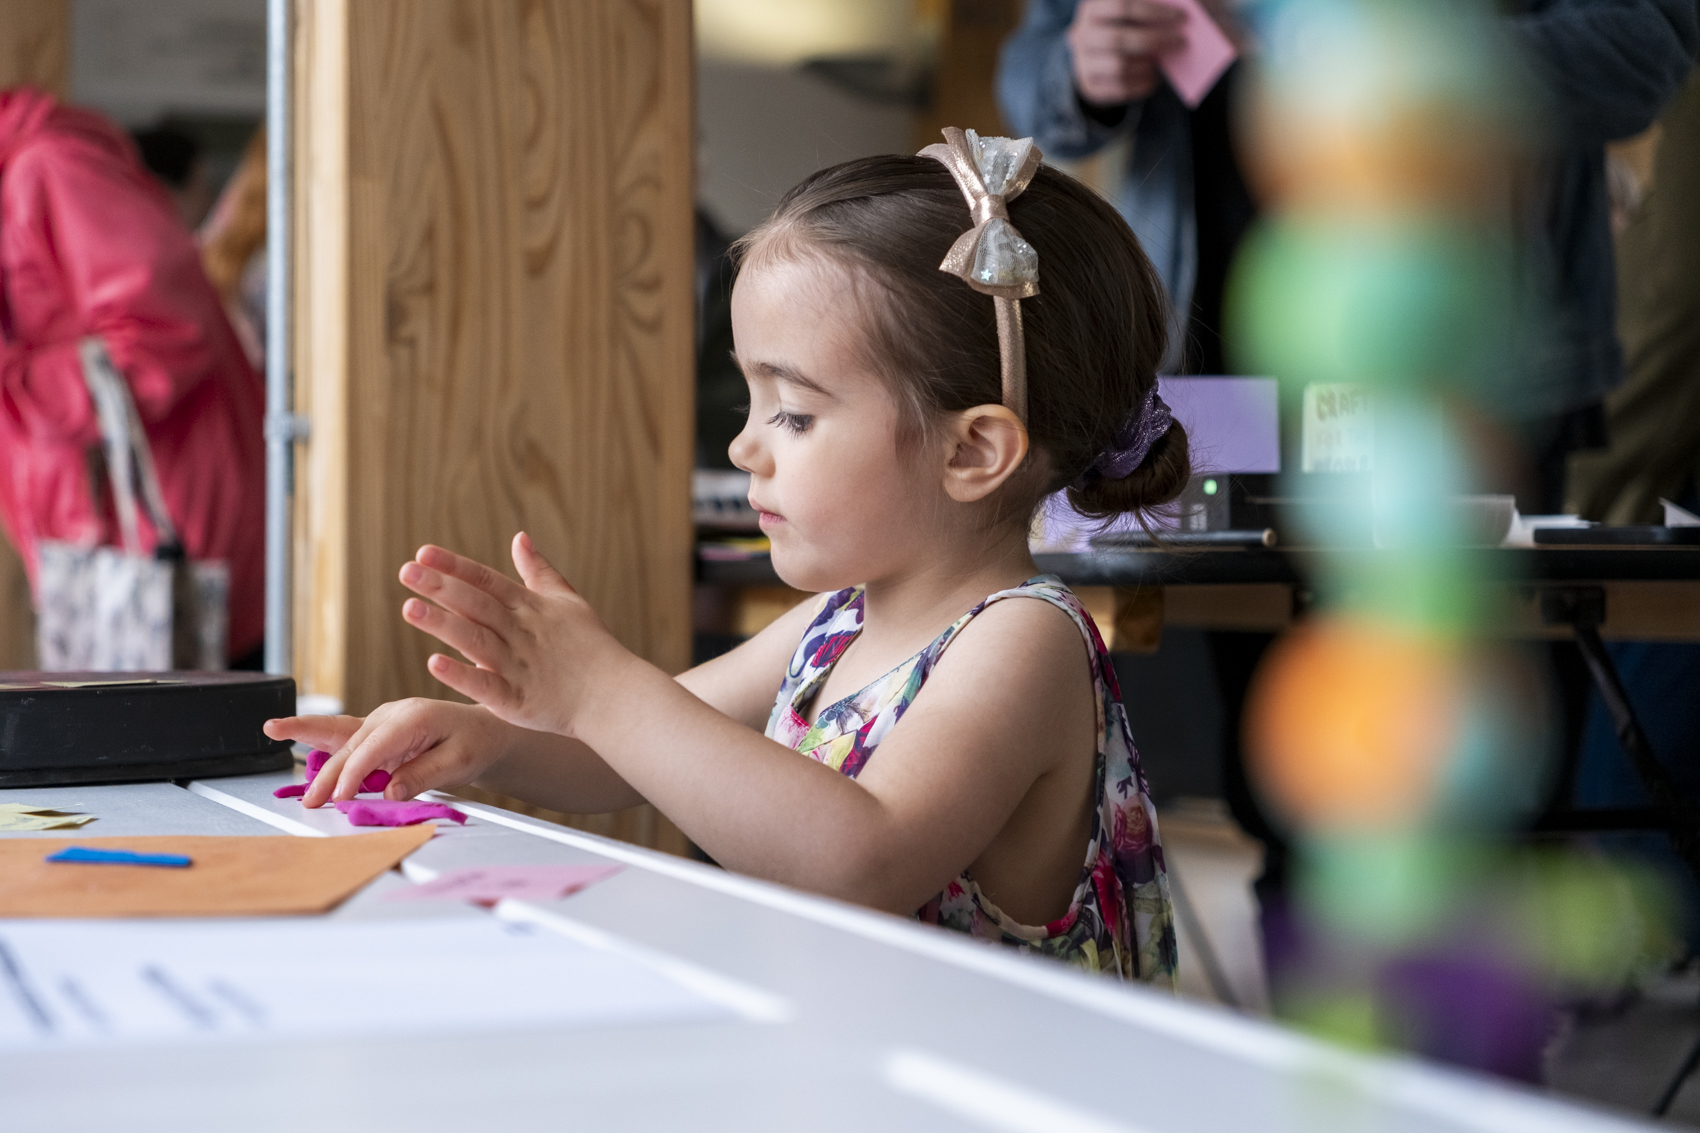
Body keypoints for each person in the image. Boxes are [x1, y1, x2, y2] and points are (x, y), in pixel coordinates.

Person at [267, 137, 1187, 983]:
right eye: (752, 403)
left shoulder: (1023, 641)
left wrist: (601, 684)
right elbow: (634, 758)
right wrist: (487, 740)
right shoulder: (833, 628)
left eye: (793, 413)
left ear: (970, 452)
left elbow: (859, 860)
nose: (746, 447)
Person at [0, 87, 267, 666]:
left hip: (168, 549)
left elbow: (164, 330)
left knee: (192, 742)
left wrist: (18, 385)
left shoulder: (48, 169)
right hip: (107, 551)